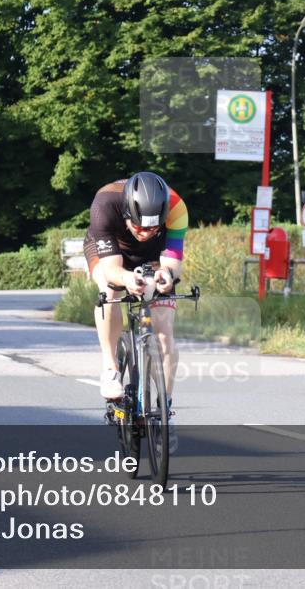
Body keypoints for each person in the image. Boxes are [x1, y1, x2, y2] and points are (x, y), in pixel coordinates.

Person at [84, 171, 187, 450]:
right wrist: (127, 278)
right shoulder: (105, 205)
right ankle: (110, 367)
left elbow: (174, 260)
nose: (144, 233)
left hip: (154, 256)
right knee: (109, 290)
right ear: (127, 212)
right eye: (139, 226)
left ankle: (164, 411)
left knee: (165, 331)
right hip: (109, 250)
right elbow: (112, 269)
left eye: (152, 228)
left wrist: (167, 274)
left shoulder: (177, 208)